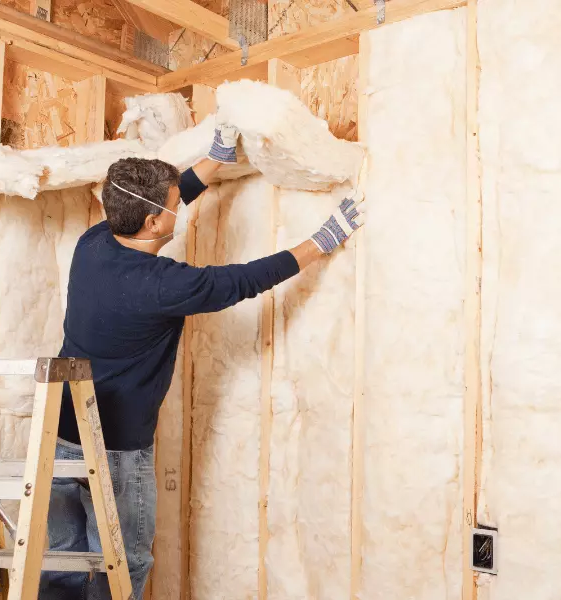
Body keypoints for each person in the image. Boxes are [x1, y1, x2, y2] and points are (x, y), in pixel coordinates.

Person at [39, 124, 365, 599]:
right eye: (173, 204)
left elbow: (158, 201)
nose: (177, 207)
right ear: (153, 223)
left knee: (62, 556)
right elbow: (246, 279)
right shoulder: (166, 285)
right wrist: (322, 240)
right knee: (122, 563)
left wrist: (213, 161)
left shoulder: (93, 243)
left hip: (60, 432)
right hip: (118, 451)